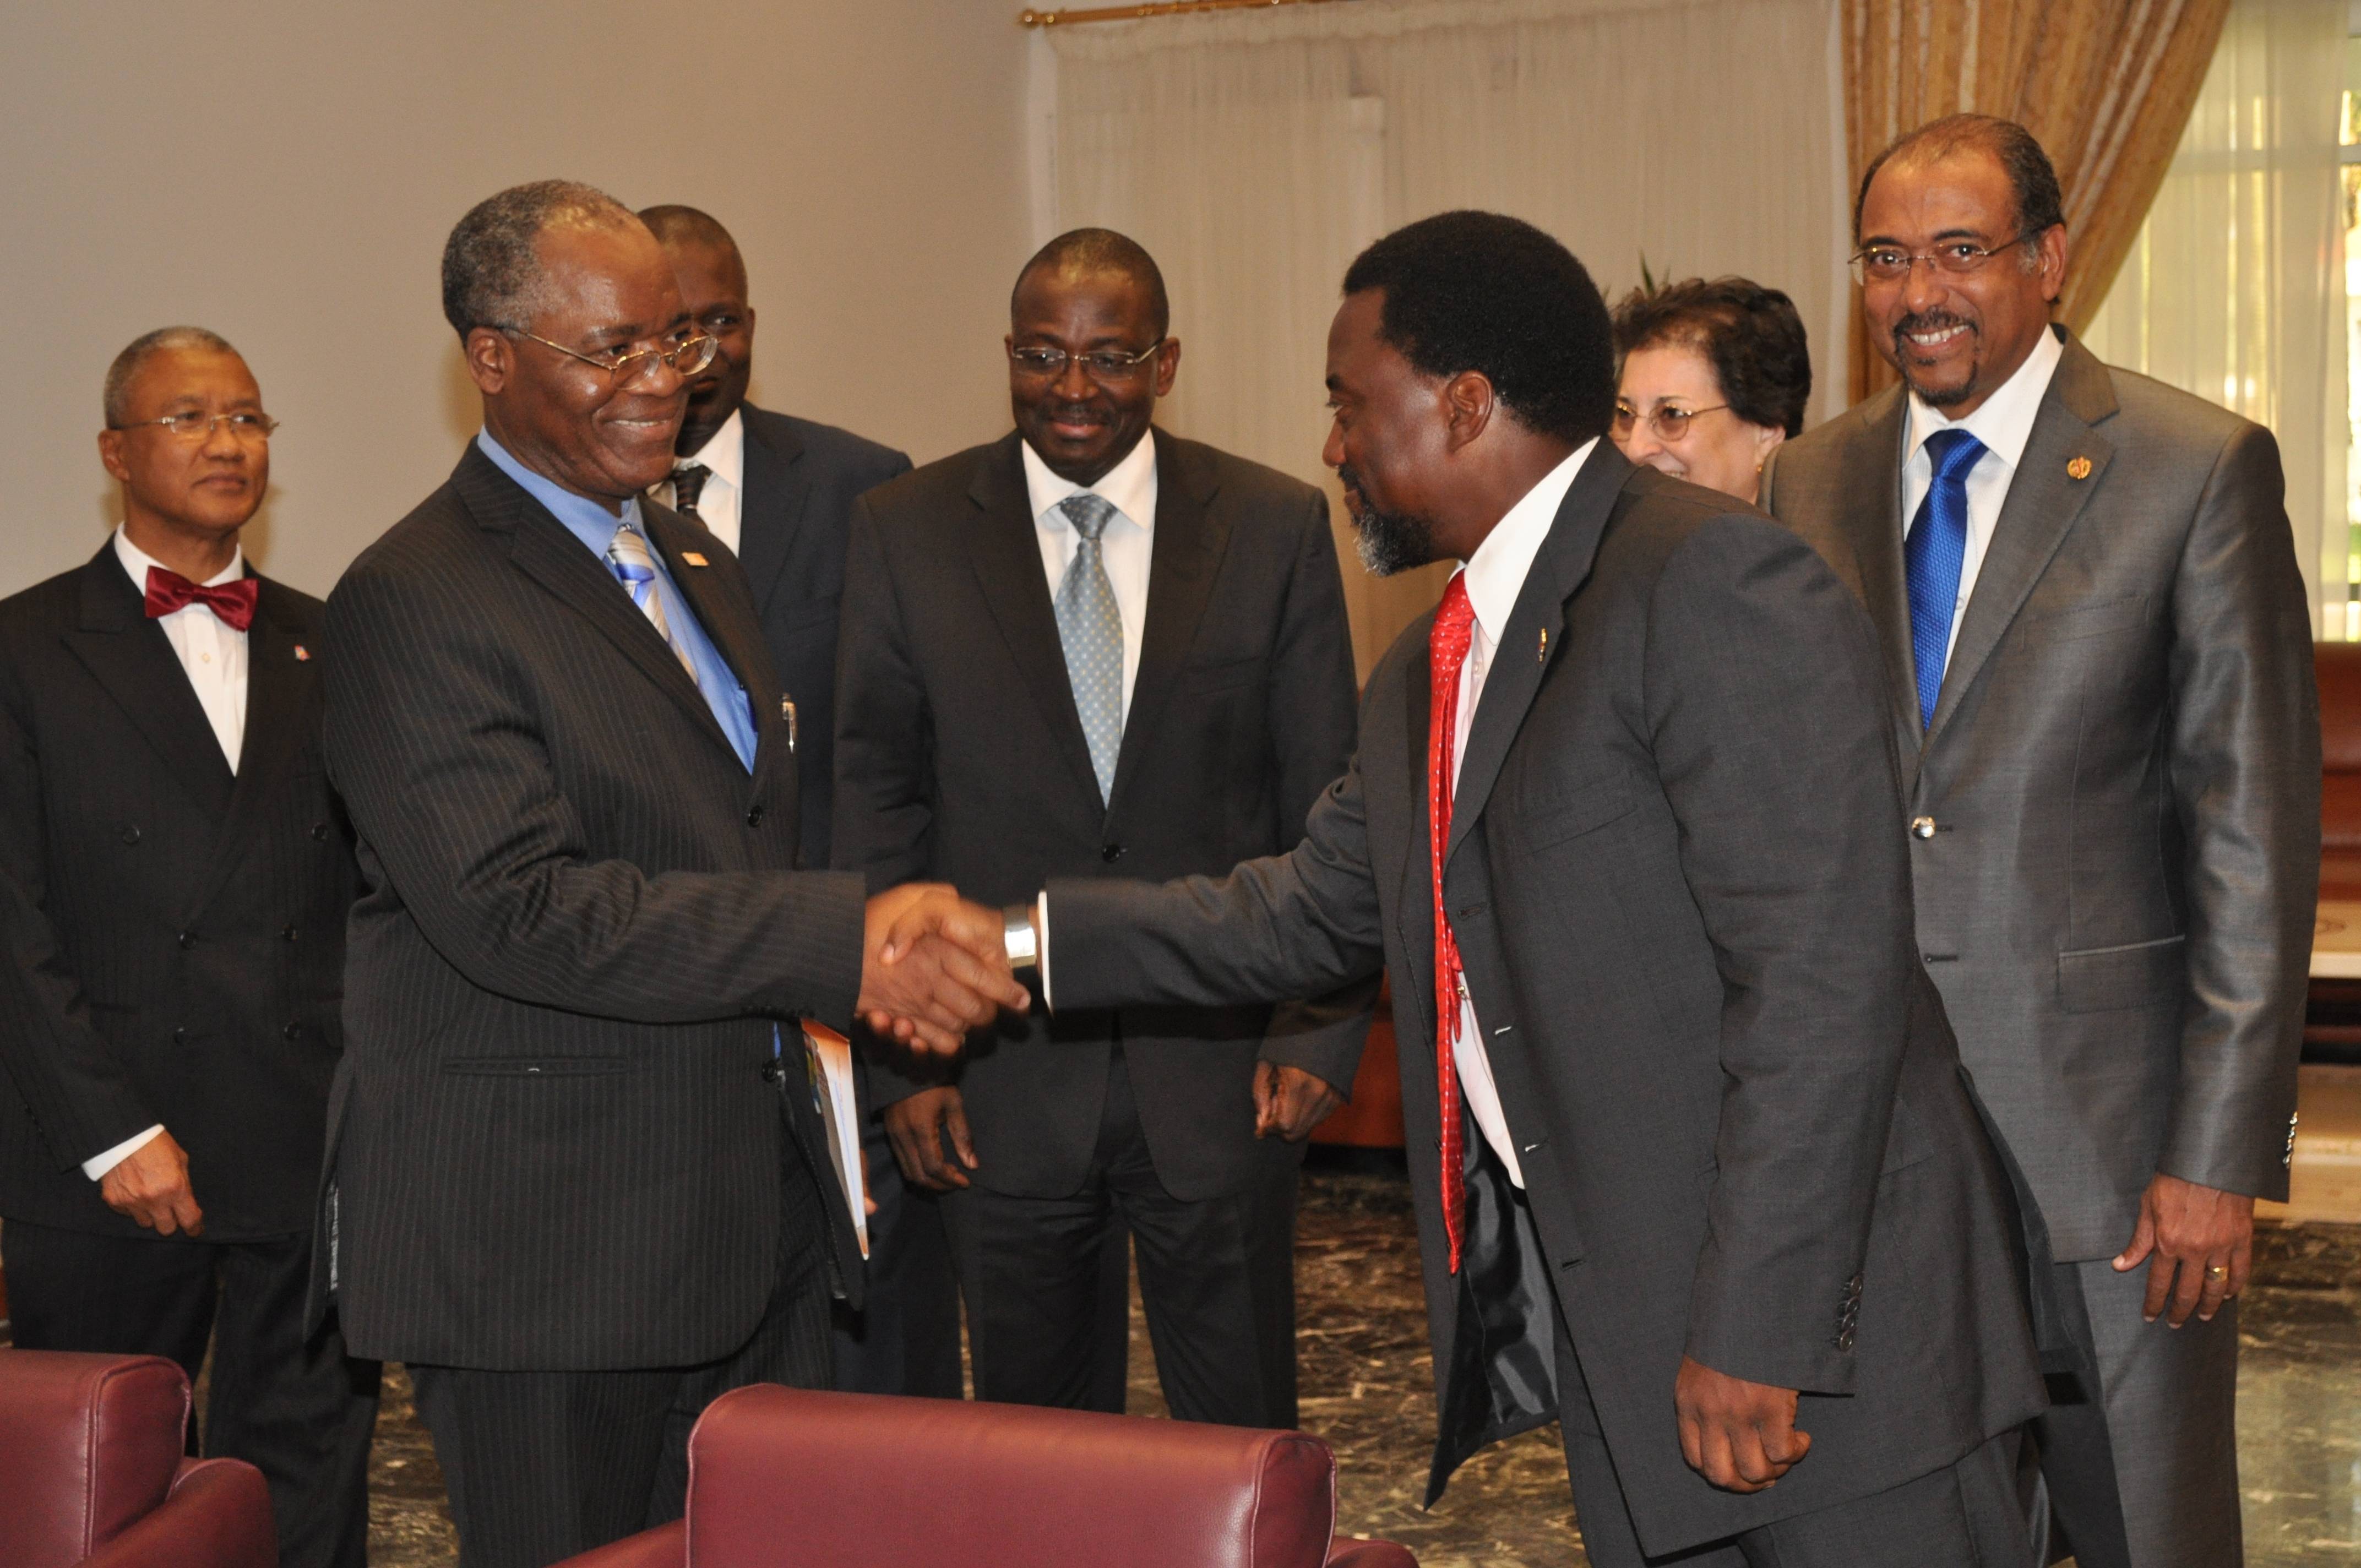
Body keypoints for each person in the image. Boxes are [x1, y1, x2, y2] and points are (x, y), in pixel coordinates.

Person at [959, 210, 2051, 1566]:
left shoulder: (1706, 577)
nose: (1333, 444)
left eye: (1350, 404)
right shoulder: (1430, 661)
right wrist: (1006, 936)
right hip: (1633, 1345)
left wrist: (1756, 1332)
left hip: (1824, 1365)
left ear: (1462, 403)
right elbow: (1300, 906)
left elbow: (1823, 986)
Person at [319, 180, 1025, 1568]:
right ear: (492, 357)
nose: (663, 383)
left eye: (677, 343)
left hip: (740, 1217)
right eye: (614, 351)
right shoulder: (416, 597)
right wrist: (850, 935)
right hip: (550, 1254)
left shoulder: (692, 551)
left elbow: (729, 844)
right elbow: (523, 908)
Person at [1760, 114, 2318, 1568]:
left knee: (2149, 1531)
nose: (1918, 290)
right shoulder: (1810, 481)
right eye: (1887, 257)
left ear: (2051, 260)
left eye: (1961, 250)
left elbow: (2249, 841)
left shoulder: (2193, 470)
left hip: (2119, 1170)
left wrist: (2217, 1157)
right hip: (1882, 1159)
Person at [835, 228, 1368, 1430]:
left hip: (1224, 1074)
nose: (1072, 387)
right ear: (1008, 354)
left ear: (1165, 362)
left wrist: (1317, 1027)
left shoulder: (1272, 522)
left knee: (1241, 1439)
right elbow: (877, 799)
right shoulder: (905, 527)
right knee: (1034, 1444)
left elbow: (1325, 796)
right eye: (1041, 354)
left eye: (1110, 356)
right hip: (993, 1081)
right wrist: (902, 1061)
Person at [0, 327, 379, 1568]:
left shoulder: (338, 643)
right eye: (188, 418)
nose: (228, 441)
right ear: (115, 450)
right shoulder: (23, 646)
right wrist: (111, 1129)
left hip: (300, 1124)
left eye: (250, 417)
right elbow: (10, 921)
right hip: (102, 1147)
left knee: (308, 1469)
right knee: (103, 1480)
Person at [635, 203, 956, 1401]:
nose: (697, 355)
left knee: (882, 1361)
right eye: (667, 330)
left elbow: (904, 753)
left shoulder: (863, 489)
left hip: (848, 998)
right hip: (666, 1005)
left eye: (719, 323)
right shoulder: (573, 520)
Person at [1609, 276, 1810, 505]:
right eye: (1625, 414)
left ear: (1766, 434)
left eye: (1671, 414)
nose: (1635, 450)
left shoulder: (1811, 539)